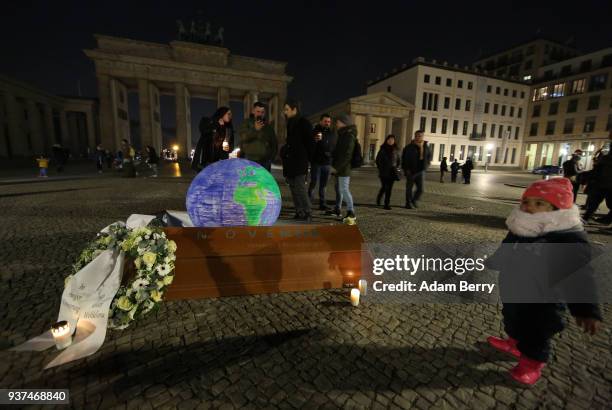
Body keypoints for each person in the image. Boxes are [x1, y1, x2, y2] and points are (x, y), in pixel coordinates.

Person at [486, 178, 601, 385]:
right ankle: (514, 342)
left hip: (545, 297)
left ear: (557, 209)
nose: (529, 207)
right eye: (526, 202)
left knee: (537, 331)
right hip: (514, 286)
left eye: (539, 203)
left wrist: (586, 309)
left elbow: (580, 276)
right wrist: (496, 261)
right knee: (512, 316)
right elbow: (508, 245)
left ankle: (532, 364)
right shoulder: (521, 225)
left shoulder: (568, 237)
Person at [280, 99, 315, 221]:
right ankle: (299, 212)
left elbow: (310, 143)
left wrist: (310, 161)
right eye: (284, 109)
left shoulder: (304, 123)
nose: (285, 112)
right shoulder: (290, 123)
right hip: (290, 162)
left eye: (287, 109)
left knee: (300, 188)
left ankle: (307, 212)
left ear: (294, 109)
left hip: (300, 161)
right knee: (293, 188)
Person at [330, 113, 358, 224]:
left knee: (344, 190)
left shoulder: (349, 135)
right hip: (340, 167)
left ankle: (351, 212)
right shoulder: (343, 134)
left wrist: (336, 167)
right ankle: (341, 209)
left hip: (344, 168)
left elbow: (347, 154)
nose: (336, 124)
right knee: (341, 190)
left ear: (343, 122)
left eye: (337, 122)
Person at [238, 101, 278, 171]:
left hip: (265, 162)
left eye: (262, 112)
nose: (260, 114)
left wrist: (271, 158)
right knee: (250, 181)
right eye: (258, 111)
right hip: (249, 161)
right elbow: (243, 137)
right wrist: (255, 130)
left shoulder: (268, 127)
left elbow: (274, 144)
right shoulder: (246, 123)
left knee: (263, 182)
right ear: (253, 111)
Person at [309, 114, 337, 211]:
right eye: (325, 121)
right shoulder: (315, 131)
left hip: (327, 163)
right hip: (316, 162)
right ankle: (308, 203)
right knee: (314, 183)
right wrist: (314, 141)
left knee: (324, 185)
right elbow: (311, 146)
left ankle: (322, 203)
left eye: (329, 122)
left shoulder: (332, 133)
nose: (327, 123)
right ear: (320, 121)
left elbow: (334, 146)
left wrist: (331, 155)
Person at [191, 107, 234, 171]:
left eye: (231, 114)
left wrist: (229, 148)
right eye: (228, 113)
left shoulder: (229, 128)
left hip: (221, 162)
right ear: (222, 113)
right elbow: (203, 130)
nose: (230, 116)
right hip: (206, 161)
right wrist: (217, 124)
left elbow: (231, 143)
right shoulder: (207, 121)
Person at [401, 130, 432, 209]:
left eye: (420, 136)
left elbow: (429, 156)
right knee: (409, 189)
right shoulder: (409, 147)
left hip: (421, 171)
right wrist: (406, 170)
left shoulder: (426, 146)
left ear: (423, 136)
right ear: (415, 136)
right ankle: (408, 203)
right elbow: (404, 159)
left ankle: (414, 200)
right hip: (410, 171)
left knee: (421, 189)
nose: (419, 137)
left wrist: (427, 165)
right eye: (417, 136)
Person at [375, 135, 401, 210]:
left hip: (393, 172)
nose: (391, 141)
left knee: (389, 188)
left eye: (392, 139)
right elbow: (378, 160)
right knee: (385, 187)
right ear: (386, 140)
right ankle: (379, 197)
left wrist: (398, 168)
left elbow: (399, 160)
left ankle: (387, 204)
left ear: (394, 141)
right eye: (389, 139)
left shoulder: (396, 150)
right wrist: (381, 168)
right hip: (384, 172)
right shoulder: (382, 149)